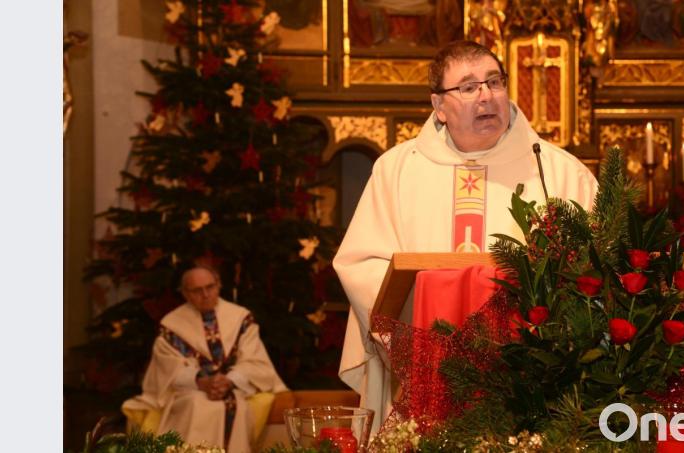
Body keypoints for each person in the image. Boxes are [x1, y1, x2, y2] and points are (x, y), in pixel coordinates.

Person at [332, 40, 599, 433]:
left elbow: (596, 264)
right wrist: (418, 341)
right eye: (469, 87)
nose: (486, 96)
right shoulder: (397, 171)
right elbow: (360, 264)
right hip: (423, 372)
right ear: (439, 105)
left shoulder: (559, 171)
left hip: (534, 378)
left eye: (494, 82)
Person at [122, 266, 288, 453]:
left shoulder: (240, 317)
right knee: (197, 404)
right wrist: (201, 381)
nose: (206, 294)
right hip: (190, 392)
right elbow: (166, 370)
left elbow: (255, 361)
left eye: (210, 287)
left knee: (238, 406)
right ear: (185, 293)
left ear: (219, 285)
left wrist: (228, 381)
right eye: (197, 290)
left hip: (232, 388)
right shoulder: (172, 325)